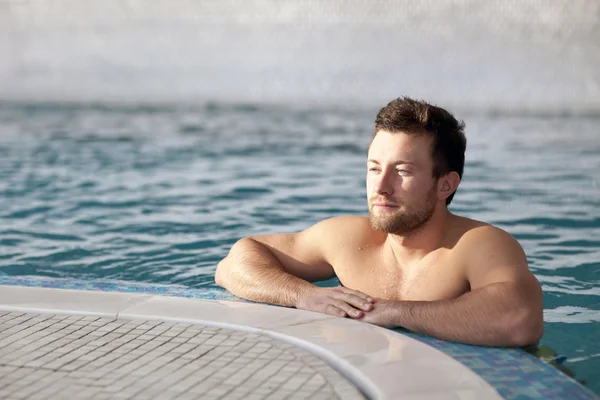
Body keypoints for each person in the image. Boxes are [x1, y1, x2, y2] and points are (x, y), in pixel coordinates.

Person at [215, 96, 544, 347]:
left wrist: (399, 313)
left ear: (445, 184)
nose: (381, 186)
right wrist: (303, 295)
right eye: (374, 168)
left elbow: (520, 317)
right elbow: (234, 263)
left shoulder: (478, 244)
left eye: (402, 171)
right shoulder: (348, 239)